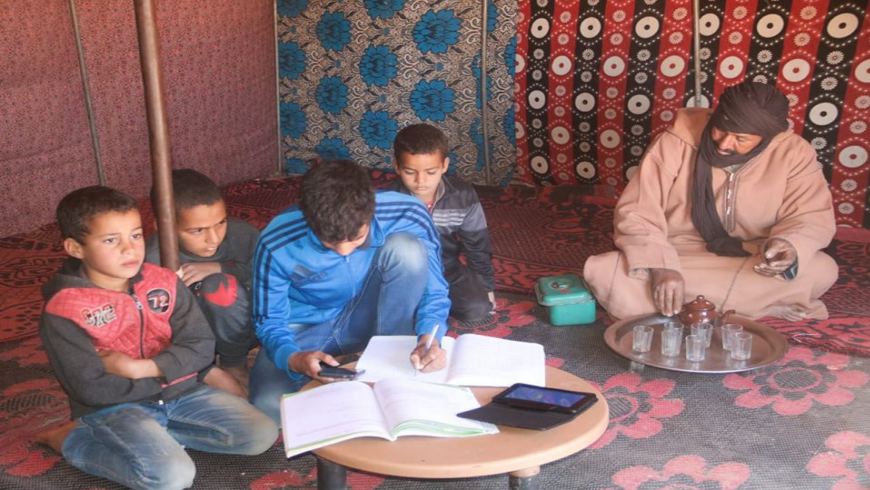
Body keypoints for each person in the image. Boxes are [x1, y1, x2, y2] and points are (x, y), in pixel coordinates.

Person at [38, 186, 278, 490]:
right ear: (75, 248)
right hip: (116, 407)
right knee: (172, 478)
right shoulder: (66, 309)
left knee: (261, 434)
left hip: (181, 393)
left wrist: (143, 369)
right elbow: (89, 387)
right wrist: (173, 372)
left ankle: (156, 437)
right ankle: (73, 440)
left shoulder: (162, 281)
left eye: (136, 235)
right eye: (111, 240)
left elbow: (201, 347)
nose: (129, 249)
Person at [584, 82, 838, 322]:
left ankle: (684, 304)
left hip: (754, 255)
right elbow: (637, 211)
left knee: (821, 269)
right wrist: (661, 266)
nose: (724, 143)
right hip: (678, 253)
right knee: (606, 269)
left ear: (767, 137)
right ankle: (758, 306)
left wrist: (788, 245)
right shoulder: (676, 142)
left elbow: (811, 215)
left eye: (740, 139)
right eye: (720, 130)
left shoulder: (794, 153)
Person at [249, 159, 451, 423]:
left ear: (370, 210)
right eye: (329, 243)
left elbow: (434, 288)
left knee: (407, 249)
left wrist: (429, 338)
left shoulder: (407, 212)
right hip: (307, 325)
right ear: (309, 220)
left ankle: (387, 353)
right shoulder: (276, 240)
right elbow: (269, 319)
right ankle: (352, 367)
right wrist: (294, 358)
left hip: (375, 314)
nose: (344, 251)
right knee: (269, 408)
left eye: (357, 239)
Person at [146, 169, 259, 394]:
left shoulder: (243, 235)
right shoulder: (151, 260)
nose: (213, 238)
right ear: (163, 226)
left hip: (242, 332)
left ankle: (234, 363)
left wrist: (221, 268)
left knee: (220, 287)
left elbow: (272, 277)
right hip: (188, 339)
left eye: (220, 222)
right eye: (197, 231)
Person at [390, 123, 496, 322]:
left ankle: (429, 301)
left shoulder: (463, 196)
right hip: (402, 273)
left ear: (445, 165)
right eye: (410, 171)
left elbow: (477, 245)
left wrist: (486, 287)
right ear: (396, 165)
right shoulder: (388, 200)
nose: (421, 180)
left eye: (431, 172)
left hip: (446, 268)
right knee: (393, 314)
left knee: (477, 309)